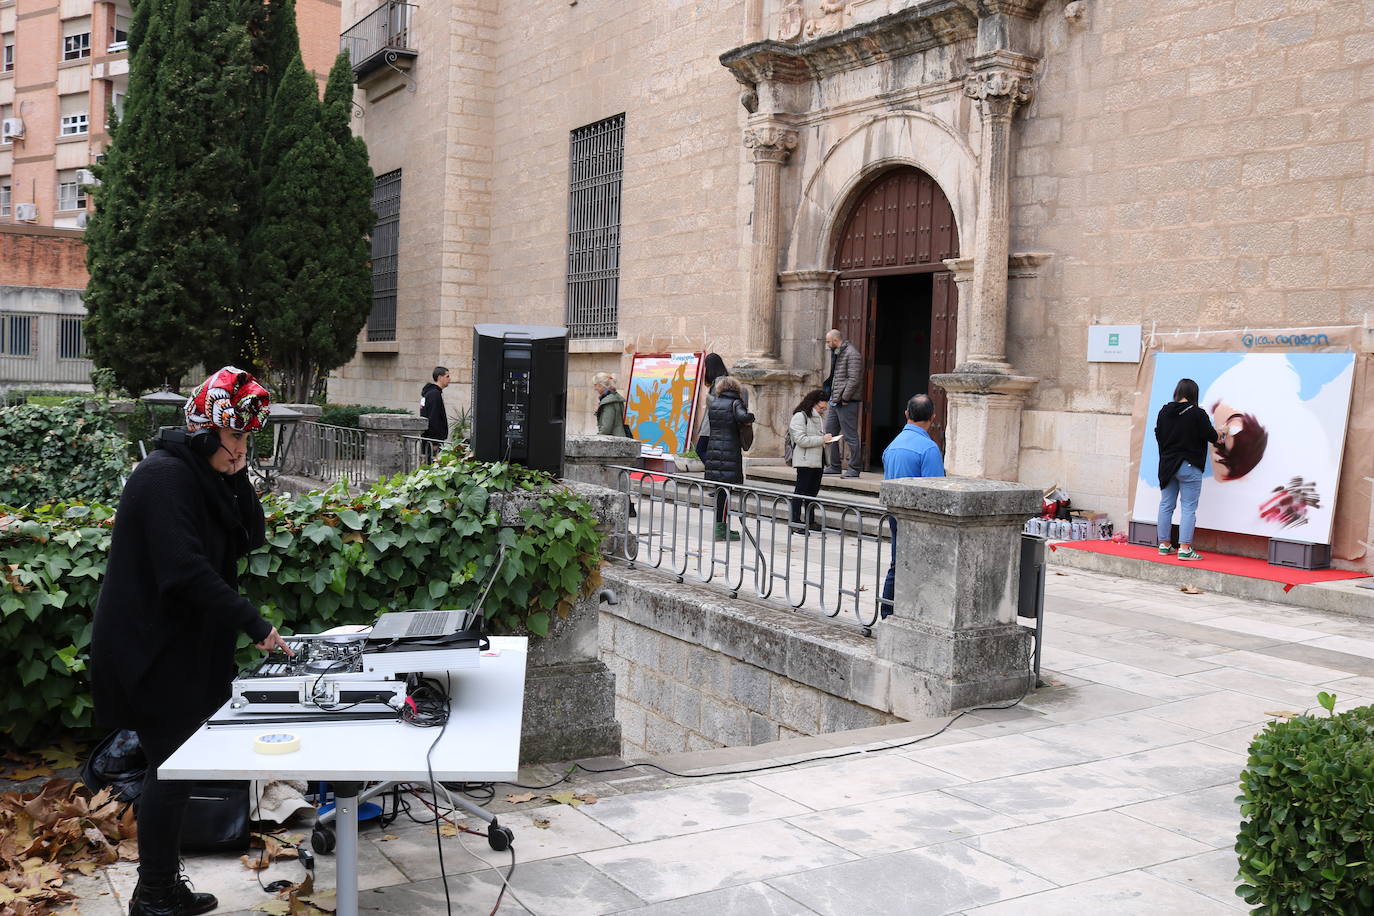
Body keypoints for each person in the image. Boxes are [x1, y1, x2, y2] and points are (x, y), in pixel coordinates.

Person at [91, 367, 292, 916]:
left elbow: (249, 535)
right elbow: (183, 571)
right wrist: (255, 624)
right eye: (235, 437)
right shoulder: (163, 477)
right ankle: (153, 894)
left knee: (178, 770)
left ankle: (161, 888)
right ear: (204, 432)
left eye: (249, 439)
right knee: (170, 771)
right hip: (150, 651)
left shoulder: (202, 475)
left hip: (184, 648)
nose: (242, 449)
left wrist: (236, 474)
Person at [880, 394, 945, 617]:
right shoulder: (928, 449)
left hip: (895, 513)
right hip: (920, 519)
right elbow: (936, 490)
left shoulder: (892, 446)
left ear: (906, 414)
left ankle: (887, 612)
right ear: (933, 417)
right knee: (922, 567)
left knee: (897, 563)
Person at [1156, 377, 1219, 561]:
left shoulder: (1164, 411)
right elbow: (1212, 436)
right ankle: (1184, 548)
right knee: (1188, 507)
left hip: (1167, 466)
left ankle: (1164, 545)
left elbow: (1158, 435)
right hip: (1189, 465)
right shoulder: (1197, 413)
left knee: (1166, 505)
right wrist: (1221, 432)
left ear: (1178, 392)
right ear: (1193, 394)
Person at [702, 375, 755, 540]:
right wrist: (751, 417)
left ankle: (721, 526)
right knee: (726, 492)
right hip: (729, 451)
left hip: (714, 450)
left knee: (720, 492)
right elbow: (742, 417)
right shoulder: (735, 402)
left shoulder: (715, 403)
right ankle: (721, 530)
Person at [787, 389, 834, 532]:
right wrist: (822, 439)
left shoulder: (818, 417)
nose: (823, 410)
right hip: (804, 460)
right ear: (812, 404)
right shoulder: (800, 416)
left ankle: (810, 520)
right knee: (800, 491)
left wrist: (827, 440)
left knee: (812, 493)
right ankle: (795, 522)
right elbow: (800, 439)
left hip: (818, 460)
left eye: (825, 408)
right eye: (821, 408)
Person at [822, 329, 864, 478]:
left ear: (835, 340)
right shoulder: (838, 353)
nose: (827, 345)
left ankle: (854, 468)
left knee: (850, 435)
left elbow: (854, 379)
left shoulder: (852, 354)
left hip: (846, 402)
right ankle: (834, 465)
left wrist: (845, 398)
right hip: (835, 400)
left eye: (828, 341)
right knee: (829, 432)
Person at [693, 352, 737, 457]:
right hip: (715, 424)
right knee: (711, 452)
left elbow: (722, 402)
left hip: (713, 424)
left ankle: (713, 470)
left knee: (701, 450)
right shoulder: (721, 380)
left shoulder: (720, 381)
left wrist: (708, 398)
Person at [419, 366, 450, 460]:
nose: (450, 379)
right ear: (440, 377)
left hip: (429, 440)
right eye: (447, 376)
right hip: (432, 441)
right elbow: (433, 418)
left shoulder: (432, 393)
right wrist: (435, 442)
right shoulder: (434, 394)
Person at [592, 371, 629, 436]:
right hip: (618, 438)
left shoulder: (608, 402)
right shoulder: (613, 397)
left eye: (595, 385)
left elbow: (606, 428)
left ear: (601, 385)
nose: (595, 388)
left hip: (613, 441)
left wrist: (597, 439)